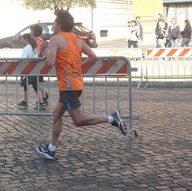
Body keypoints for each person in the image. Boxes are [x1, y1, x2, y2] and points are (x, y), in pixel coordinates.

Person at [35, 10, 127, 160]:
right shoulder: (77, 40)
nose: (52, 25)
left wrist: (46, 54)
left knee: (78, 120)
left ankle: (112, 118)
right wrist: (78, 68)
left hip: (68, 85)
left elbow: (50, 61)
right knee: (57, 114)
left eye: (53, 23)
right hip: (75, 83)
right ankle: (51, 149)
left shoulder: (55, 39)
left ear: (58, 25)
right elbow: (93, 56)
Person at [17, 34, 46, 110]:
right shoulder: (34, 47)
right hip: (34, 70)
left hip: (28, 70)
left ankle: (39, 102)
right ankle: (40, 102)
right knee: (34, 85)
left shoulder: (26, 48)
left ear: (26, 39)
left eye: (22, 39)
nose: (21, 40)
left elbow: (23, 59)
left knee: (30, 85)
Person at [30, 24, 48, 104]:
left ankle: (41, 101)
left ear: (34, 32)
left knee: (35, 83)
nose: (30, 32)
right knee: (40, 81)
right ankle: (44, 97)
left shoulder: (34, 41)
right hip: (40, 62)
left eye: (31, 30)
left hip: (35, 63)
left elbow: (35, 52)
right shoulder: (41, 40)